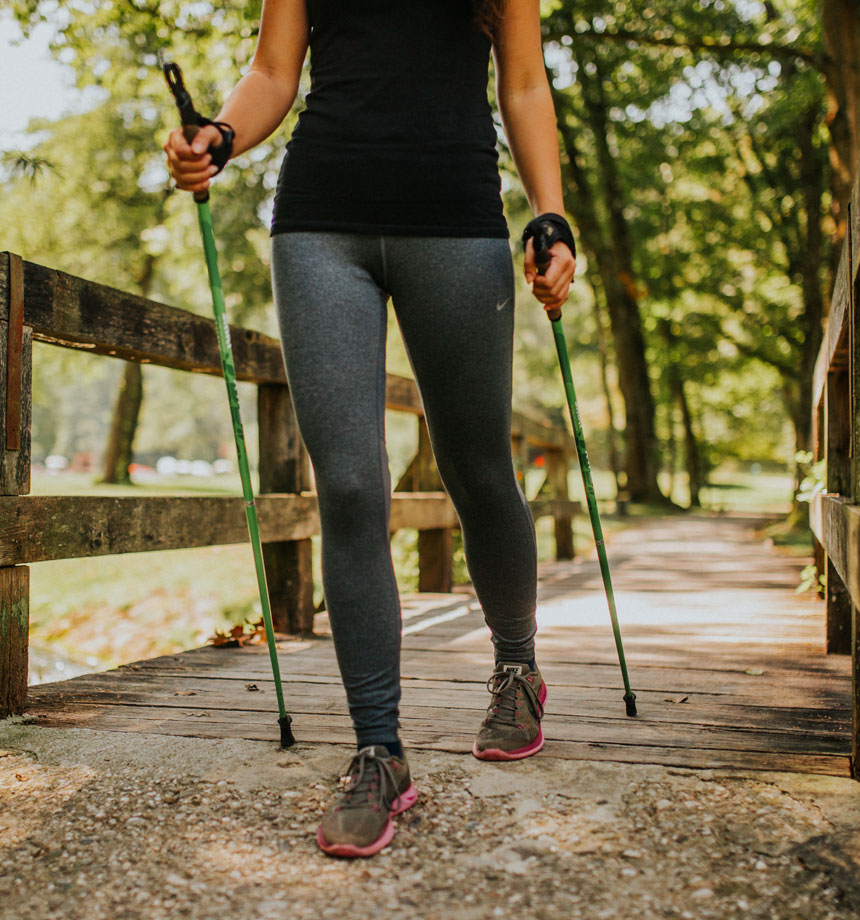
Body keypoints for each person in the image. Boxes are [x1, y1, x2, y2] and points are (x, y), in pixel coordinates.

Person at [165, 0, 577, 859]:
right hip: (321, 224)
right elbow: (274, 73)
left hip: (457, 221)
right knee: (350, 485)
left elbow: (526, 83)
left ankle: (515, 667)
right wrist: (223, 136)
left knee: (476, 472)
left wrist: (550, 213)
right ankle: (378, 749)